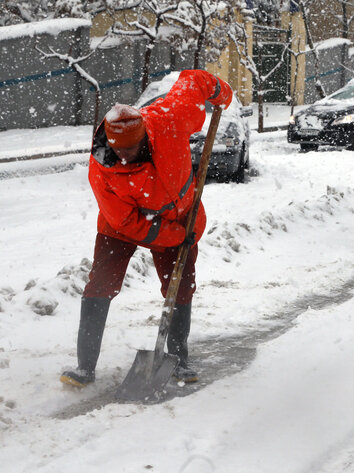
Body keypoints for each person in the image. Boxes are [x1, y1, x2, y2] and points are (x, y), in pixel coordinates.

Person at [60, 70, 233, 388]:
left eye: (132, 148)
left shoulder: (168, 119)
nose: (124, 157)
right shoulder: (101, 168)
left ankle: (179, 357)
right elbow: (126, 222)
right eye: (119, 150)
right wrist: (172, 236)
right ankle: (85, 367)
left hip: (180, 215)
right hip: (122, 226)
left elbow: (191, 82)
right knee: (101, 283)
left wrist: (221, 91)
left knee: (179, 286)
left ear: (145, 134)